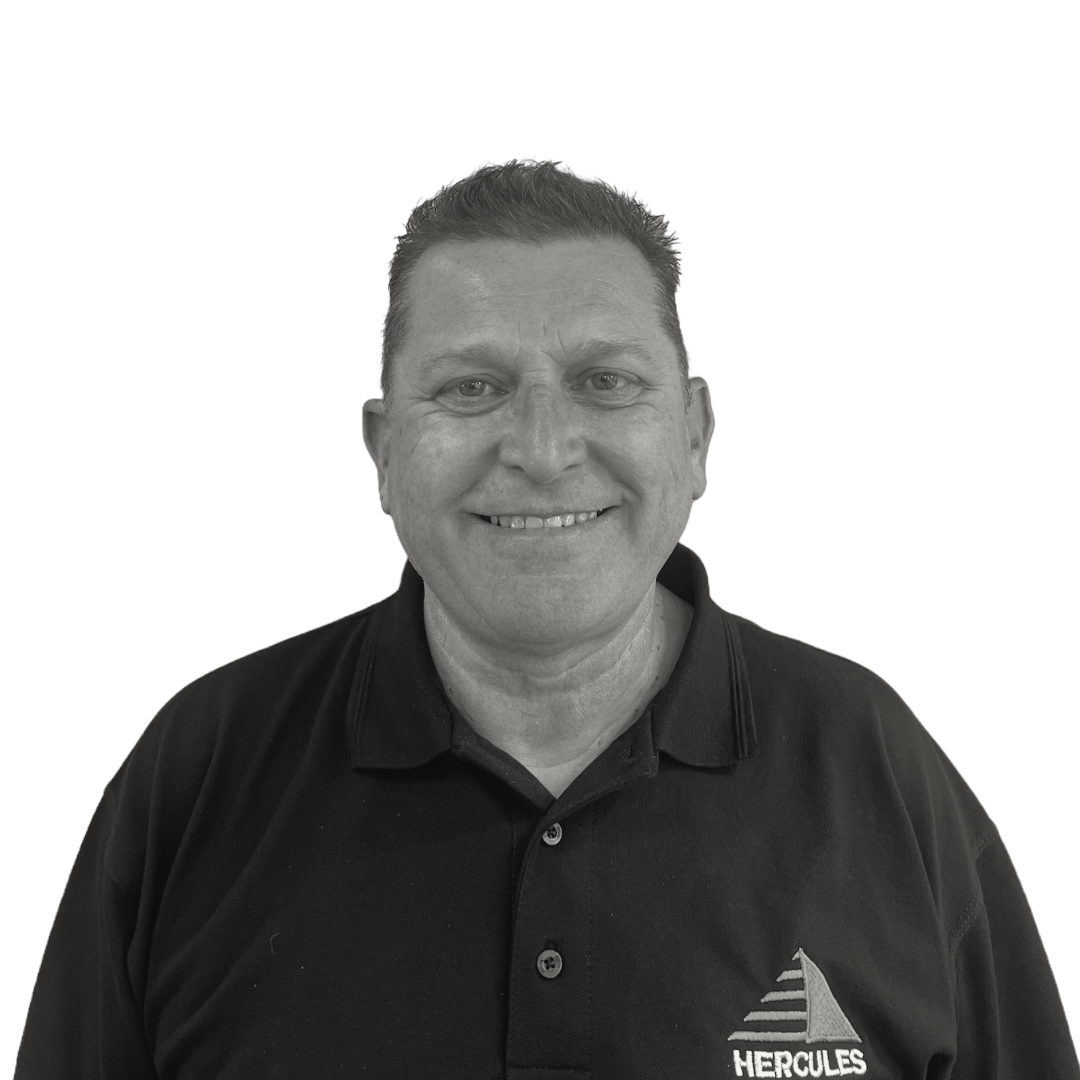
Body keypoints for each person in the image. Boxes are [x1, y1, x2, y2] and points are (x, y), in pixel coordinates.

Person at [16, 161, 1079, 1078]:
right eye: (471, 388)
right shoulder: (197, 773)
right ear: (384, 452)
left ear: (695, 438)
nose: (540, 447)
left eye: (605, 381)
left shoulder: (876, 765)